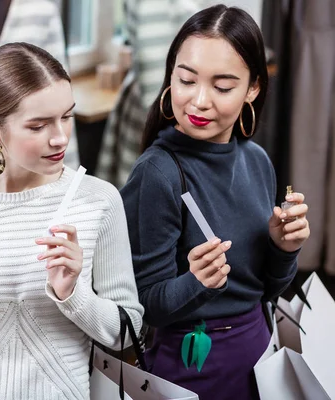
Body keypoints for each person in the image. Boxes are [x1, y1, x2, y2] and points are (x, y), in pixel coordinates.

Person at [0, 42, 144, 400]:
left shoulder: (99, 201)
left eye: (66, 116)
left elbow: (129, 334)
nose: (60, 137)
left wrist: (72, 293)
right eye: (38, 125)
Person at [120, 5, 310, 400]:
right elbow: (143, 308)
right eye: (186, 80)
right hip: (194, 369)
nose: (198, 101)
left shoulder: (256, 161)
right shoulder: (157, 174)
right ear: (171, 75)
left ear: (252, 88)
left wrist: (283, 248)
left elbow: (266, 290)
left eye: (222, 87)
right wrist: (196, 284)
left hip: (261, 355)